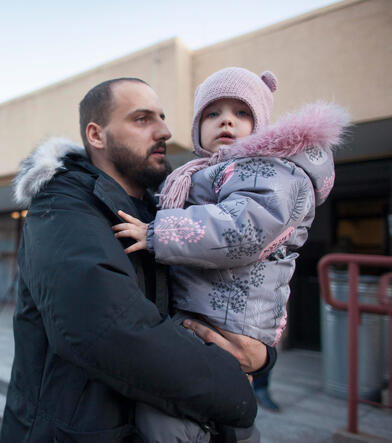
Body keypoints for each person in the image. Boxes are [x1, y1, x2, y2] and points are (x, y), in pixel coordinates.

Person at [2, 77, 276, 442]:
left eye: (161, 117)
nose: (164, 130)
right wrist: (233, 388)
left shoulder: (161, 213)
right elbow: (108, 330)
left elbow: (218, 290)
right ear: (96, 135)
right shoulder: (63, 205)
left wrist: (260, 354)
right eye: (142, 119)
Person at [112, 68, 349, 439]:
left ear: (263, 125)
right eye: (212, 113)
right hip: (208, 311)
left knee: (172, 414)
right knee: (197, 412)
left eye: (241, 113)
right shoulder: (199, 173)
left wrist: (159, 231)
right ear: (196, 127)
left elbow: (244, 229)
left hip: (232, 316)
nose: (226, 119)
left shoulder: (269, 170)